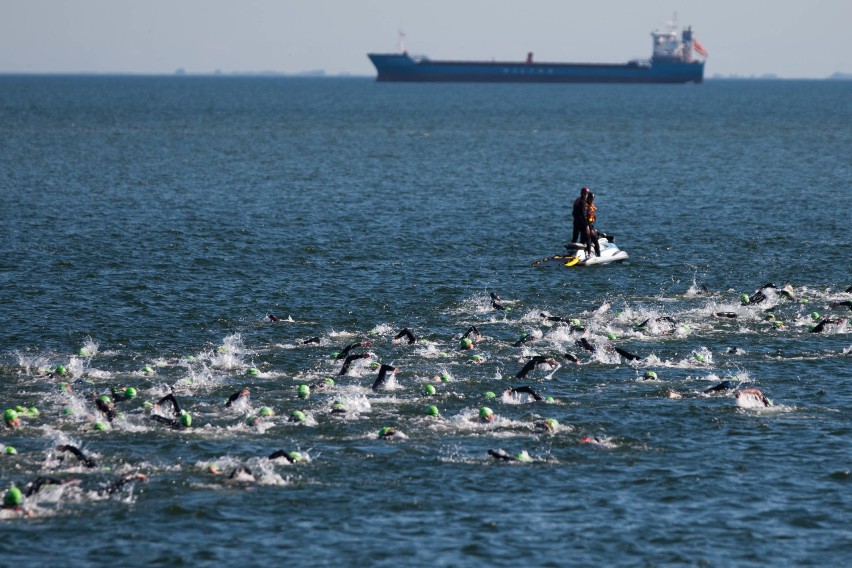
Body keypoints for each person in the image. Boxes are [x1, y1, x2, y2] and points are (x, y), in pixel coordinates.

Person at [583, 192, 600, 258]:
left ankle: (598, 255)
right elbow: (586, 218)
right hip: (586, 225)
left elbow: (591, 216)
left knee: (595, 239)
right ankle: (589, 254)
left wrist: (594, 218)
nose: (592, 200)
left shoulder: (591, 205)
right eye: (591, 198)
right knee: (590, 238)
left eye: (593, 198)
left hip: (590, 224)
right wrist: (590, 228)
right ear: (588, 198)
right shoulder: (586, 206)